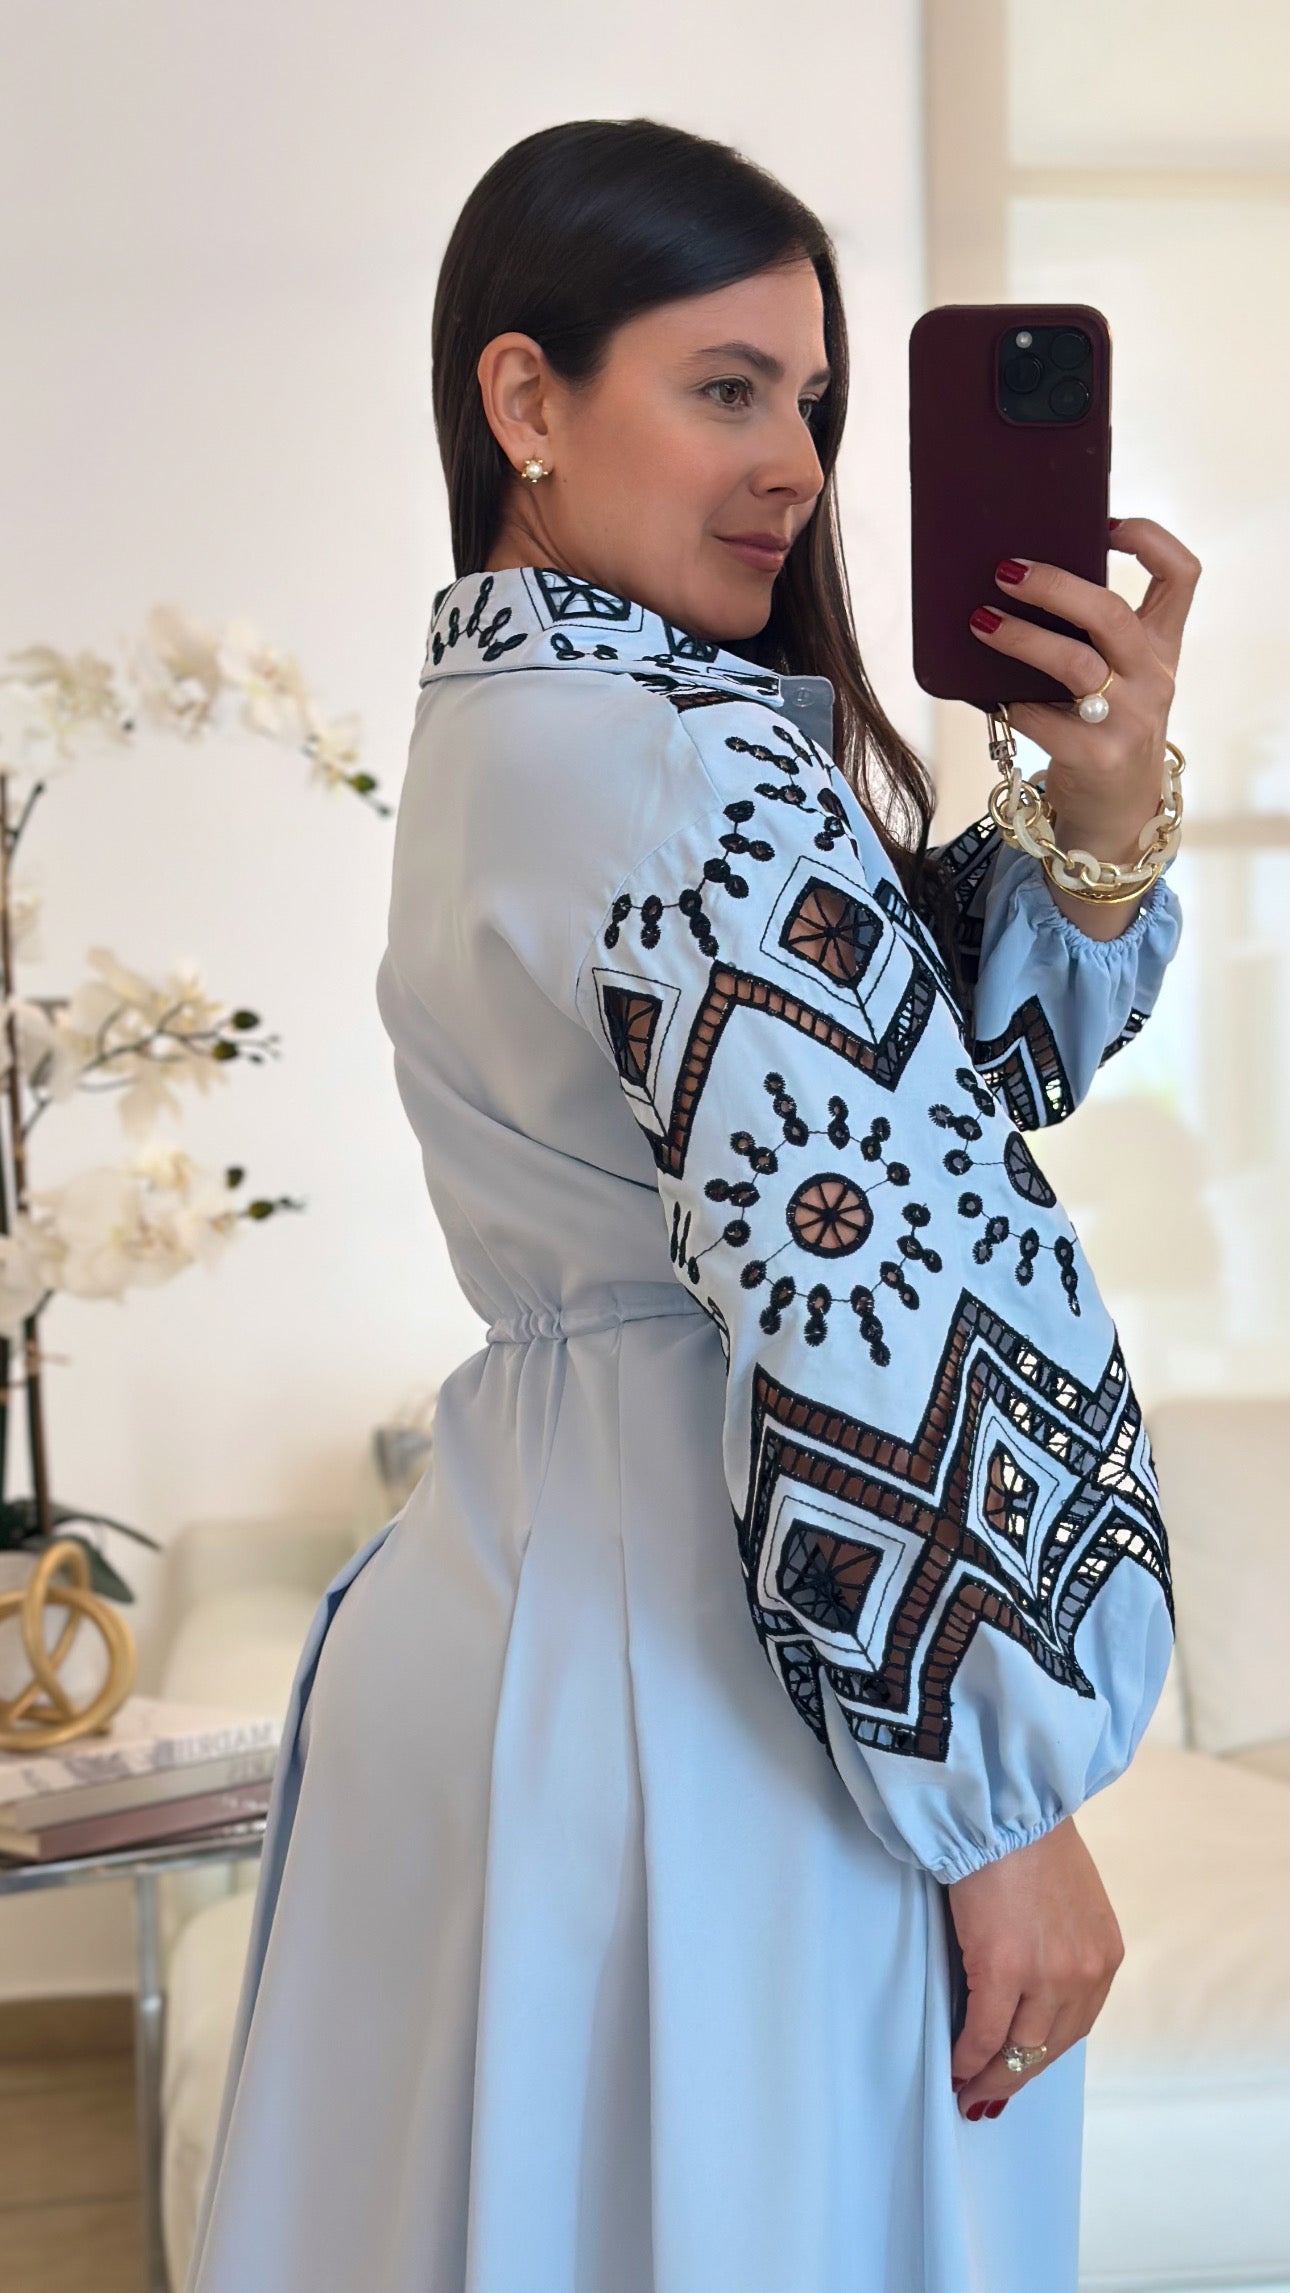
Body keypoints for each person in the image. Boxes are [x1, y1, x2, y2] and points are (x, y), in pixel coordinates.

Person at [184, 118, 1198, 2293]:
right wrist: (1000, 1805)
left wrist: (1095, 813)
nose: (796, 466)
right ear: (526, 399)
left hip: (510, 1617)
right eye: (724, 388)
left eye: (811, 401)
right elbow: (873, 1275)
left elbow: (892, 1081)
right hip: (747, 1678)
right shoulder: (681, 757)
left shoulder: (513, 723)